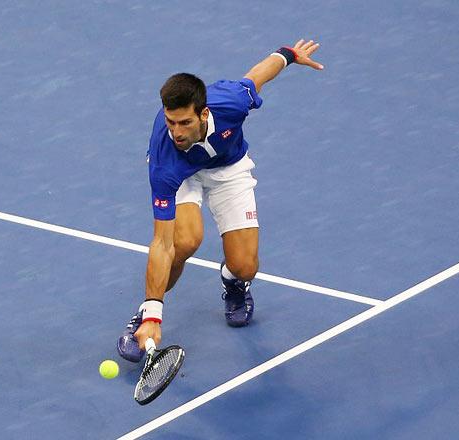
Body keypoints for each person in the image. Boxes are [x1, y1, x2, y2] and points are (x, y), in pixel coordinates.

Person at [117, 40, 324, 362]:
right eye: (170, 122)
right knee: (184, 241)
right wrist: (155, 315)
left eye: (185, 122)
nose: (177, 132)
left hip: (228, 168)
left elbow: (258, 75)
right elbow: (161, 242)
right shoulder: (164, 159)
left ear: (204, 113)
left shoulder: (231, 102)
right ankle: (143, 316)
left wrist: (289, 55)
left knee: (245, 266)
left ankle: (233, 282)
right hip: (183, 174)